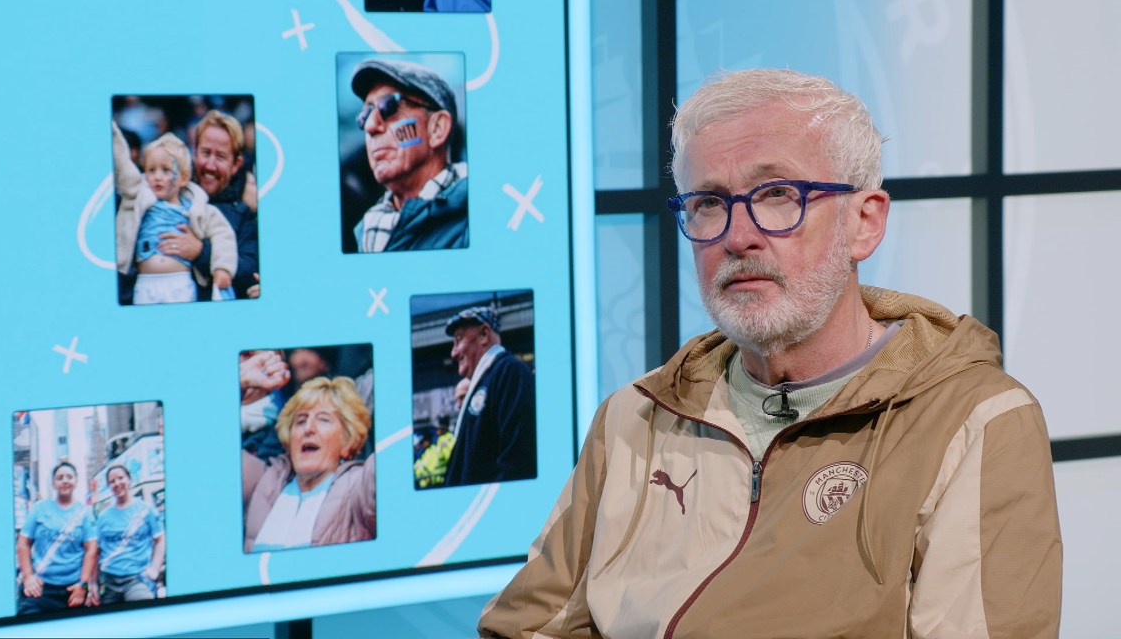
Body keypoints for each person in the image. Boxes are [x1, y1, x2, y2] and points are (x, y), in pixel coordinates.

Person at [478, 69, 1062, 638]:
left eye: (778, 195)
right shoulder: (635, 414)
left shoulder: (975, 420)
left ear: (864, 222)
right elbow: (526, 626)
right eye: (708, 202)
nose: (737, 236)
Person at [242, 376, 377, 552]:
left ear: (346, 442)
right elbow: (209, 448)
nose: (308, 429)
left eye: (323, 419)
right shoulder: (261, 480)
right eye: (301, 421)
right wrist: (241, 385)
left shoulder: (359, 486)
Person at [350, 58, 469, 252]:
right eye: (364, 116)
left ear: (437, 128)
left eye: (388, 106)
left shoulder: (476, 219)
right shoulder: (366, 233)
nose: (370, 126)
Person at [113, 121, 237, 304]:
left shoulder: (198, 208)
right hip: (145, 285)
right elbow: (123, 165)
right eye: (151, 170)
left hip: (181, 285)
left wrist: (223, 269)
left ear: (184, 178)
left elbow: (223, 235)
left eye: (166, 170)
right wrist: (112, 133)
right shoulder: (139, 198)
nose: (157, 176)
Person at [442, 306, 536, 487]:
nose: (453, 353)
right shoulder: (489, 379)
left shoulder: (510, 372)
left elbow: (516, 461)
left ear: (484, 334)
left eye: (458, 340)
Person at [173, 109, 262, 300]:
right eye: (205, 153)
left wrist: (200, 252)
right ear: (194, 152)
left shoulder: (245, 215)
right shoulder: (170, 194)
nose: (210, 166)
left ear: (236, 164)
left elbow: (248, 270)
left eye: (220, 157)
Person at [15, 462, 98, 615]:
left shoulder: (84, 513)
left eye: (69, 477)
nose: (65, 481)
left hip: (72, 591)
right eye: (60, 478)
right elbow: (23, 543)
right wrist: (28, 577)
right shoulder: (40, 508)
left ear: (76, 482)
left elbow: (91, 550)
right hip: (40, 588)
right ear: (53, 484)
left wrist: (82, 584)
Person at [95, 465, 165, 604]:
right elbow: (96, 551)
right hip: (109, 581)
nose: (117, 483)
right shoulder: (103, 516)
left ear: (129, 480)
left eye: (120, 478)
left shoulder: (146, 509)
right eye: (112, 481)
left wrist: (154, 569)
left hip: (137, 578)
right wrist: (93, 585)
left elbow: (160, 539)